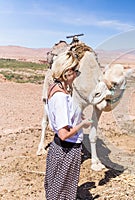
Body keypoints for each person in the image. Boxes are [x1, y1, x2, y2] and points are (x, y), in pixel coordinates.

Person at [44, 51, 92, 200]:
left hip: (59, 149)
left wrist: (77, 116)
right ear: (67, 73)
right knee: (61, 193)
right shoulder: (61, 97)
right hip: (67, 150)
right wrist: (82, 124)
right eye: (75, 71)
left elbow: (63, 115)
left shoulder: (55, 87)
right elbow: (64, 134)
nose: (77, 75)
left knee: (56, 189)